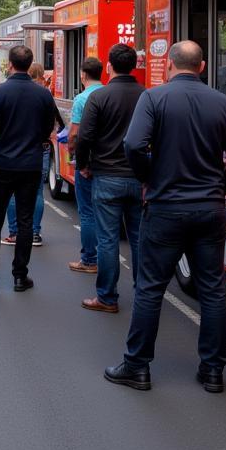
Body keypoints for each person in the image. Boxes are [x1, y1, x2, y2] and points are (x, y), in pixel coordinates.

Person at [105, 41, 226, 393]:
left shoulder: (154, 99)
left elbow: (134, 145)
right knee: (213, 290)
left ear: (169, 65)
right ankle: (213, 371)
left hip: (166, 207)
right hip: (209, 208)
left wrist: (148, 177)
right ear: (201, 67)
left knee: (151, 288)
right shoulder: (224, 104)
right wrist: (220, 188)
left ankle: (137, 366)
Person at [0, 44, 57, 293]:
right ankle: (20, 276)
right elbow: (46, 131)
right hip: (30, 164)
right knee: (25, 221)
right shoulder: (43, 94)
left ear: (9, 64)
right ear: (30, 65)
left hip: (3, 163)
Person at [75, 44, 144, 314]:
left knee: (108, 239)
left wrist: (83, 165)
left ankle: (107, 297)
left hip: (106, 176)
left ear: (109, 67)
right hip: (138, 177)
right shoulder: (146, 96)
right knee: (139, 238)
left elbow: (85, 137)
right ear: (134, 65)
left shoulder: (99, 97)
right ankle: (144, 294)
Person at [2, 61, 63, 248]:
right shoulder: (45, 95)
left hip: (14, 148)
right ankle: (35, 232)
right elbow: (58, 121)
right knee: (37, 193)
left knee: (12, 193)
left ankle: (14, 232)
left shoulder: (14, 91)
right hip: (39, 147)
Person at [67, 56, 104, 276]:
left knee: (87, 212)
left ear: (83, 74)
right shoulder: (107, 93)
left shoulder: (82, 99)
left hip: (88, 163)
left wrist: (77, 158)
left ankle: (89, 259)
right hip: (109, 163)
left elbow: (75, 134)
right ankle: (106, 258)